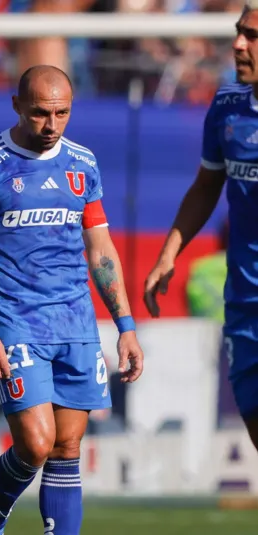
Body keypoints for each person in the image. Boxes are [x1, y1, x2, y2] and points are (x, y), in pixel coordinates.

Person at [0, 65, 144, 535]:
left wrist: (126, 326)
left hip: (75, 324)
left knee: (67, 448)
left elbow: (100, 250)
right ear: (16, 105)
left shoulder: (83, 163)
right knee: (36, 444)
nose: (51, 124)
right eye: (40, 113)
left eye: (61, 113)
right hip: (16, 324)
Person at [144, 2, 258, 454]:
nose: (238, 44)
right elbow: (206, 186)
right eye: (238, 32)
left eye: (252, 35)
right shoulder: (228, 108)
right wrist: (169, 252)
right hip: (245, 302)